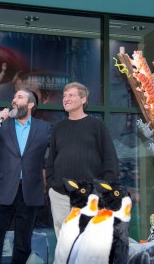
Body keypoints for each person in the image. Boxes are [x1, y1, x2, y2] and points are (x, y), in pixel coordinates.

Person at [0, 88, 52, 264]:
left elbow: (58, 152)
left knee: (23, 243)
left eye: (19, 97)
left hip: (29, 191)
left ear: (30, 104)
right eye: (14, 97)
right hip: (1, 190)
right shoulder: (2, 125)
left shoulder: (44, 128)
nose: (14, 100)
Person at [46, 82, 119, 237]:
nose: (66, 99)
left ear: (83, 99)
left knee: (88, 242)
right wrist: (53, 185)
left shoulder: (96, 125)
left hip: (90, 196)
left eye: (71, 95)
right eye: (64, 96)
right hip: (60, 195)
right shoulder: (58, 127)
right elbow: (51, 159)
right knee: (65, 244)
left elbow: (110, 159)